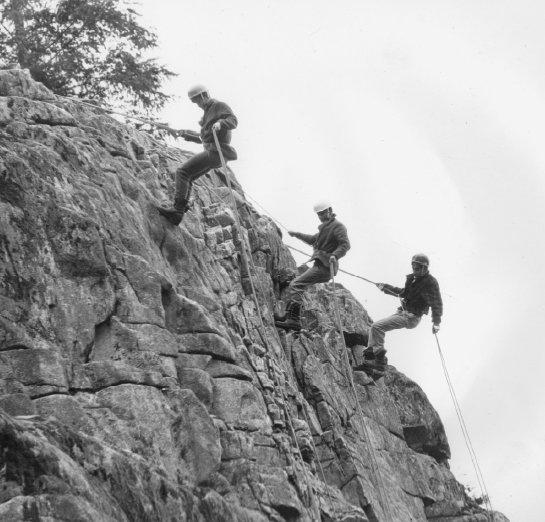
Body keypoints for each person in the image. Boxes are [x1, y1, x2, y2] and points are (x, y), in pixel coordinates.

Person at [157, 85, 238, 225]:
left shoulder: (218, 105)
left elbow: (233, 121)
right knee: (188, 176)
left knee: (182, 172)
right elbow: (204, 137)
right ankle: (178, 214)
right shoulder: (207, 114)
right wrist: (186, 134)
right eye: (195, 102)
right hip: (216, 154)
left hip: (216, 152)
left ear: (204, 95)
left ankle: (177, 210)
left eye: (198, 101)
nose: (198, 104)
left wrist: (220, 123)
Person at [356, 254, 443, 376]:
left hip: (411, 317)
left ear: (424, 268)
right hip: (403, 313)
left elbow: (437, 303)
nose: (414, 271)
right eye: (413, 268)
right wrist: (385, 287)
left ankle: (378, 362)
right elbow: (403, 293)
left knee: (377, 327)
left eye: (417, 269)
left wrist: (436, 322)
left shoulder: (431, 283)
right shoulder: (413, 278)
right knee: (376, 328)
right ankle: (373, 359)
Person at [275, 202, 350, 331]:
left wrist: (335, 255)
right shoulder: (325, 228)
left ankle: (294, 320)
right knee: (298, 284)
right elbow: (312, 239)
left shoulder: (338, 226)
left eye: (323, 213)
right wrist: (296, 234)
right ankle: (290, 316)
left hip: (326, 266)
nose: (321, 216)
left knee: (296, 284)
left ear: (330, 210)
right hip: (320, 265)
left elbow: (345, 245)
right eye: (319, 214)